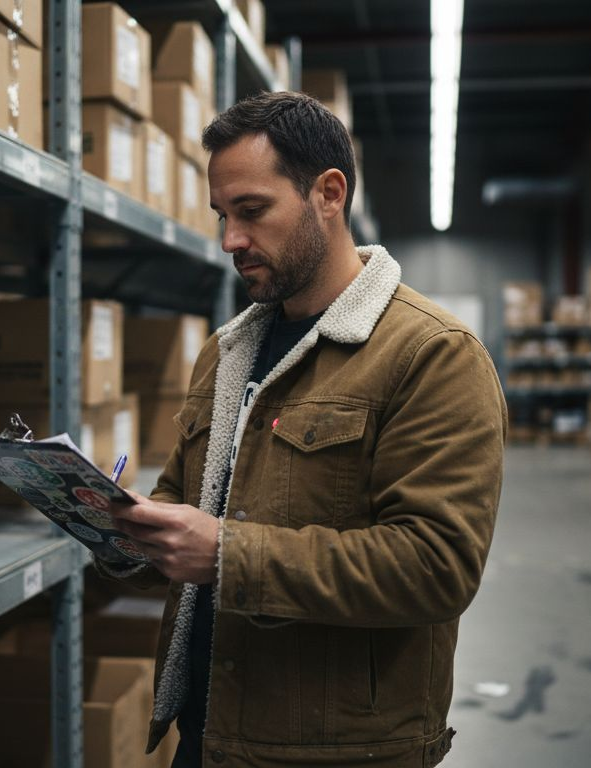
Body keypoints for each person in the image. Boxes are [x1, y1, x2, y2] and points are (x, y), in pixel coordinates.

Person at [99, 91, 505, 767]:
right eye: (223, 216)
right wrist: (123, 529)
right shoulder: (226, 353)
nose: (231, 240)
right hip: (208, 734)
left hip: (337, 752)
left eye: (252, 211)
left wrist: (228, 553)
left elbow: (436, 565)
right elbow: (184, 504)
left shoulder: (431, 354)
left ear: (328, 193)